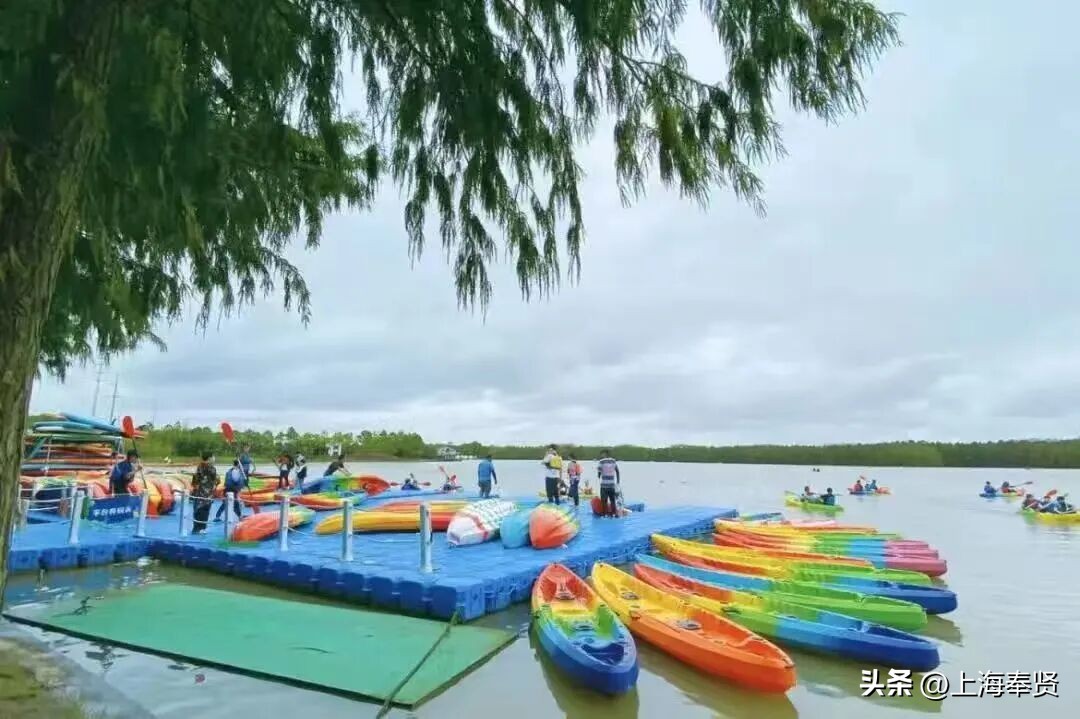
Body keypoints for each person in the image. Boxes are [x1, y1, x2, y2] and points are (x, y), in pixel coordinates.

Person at [190, 452, 219, 535]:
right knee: (205, 512)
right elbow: (217, 480)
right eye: (213, 457)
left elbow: (194, 482)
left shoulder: (199, 467)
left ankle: (196, 529)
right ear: (209, 458)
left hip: (198, 494)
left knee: (197, 512)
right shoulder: (212, 468)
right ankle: (202, 529)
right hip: (207, 495)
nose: (214, 458)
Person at [597, 449, 621, 517]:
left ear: (605, 454)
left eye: (602, 454)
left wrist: (599, 475)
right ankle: (614, 514)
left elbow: (599, 474)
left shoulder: (601, 461)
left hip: (604, 485)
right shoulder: (613, 461)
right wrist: (618, 482)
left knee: (604, 501)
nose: (601, 456)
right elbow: (617, 471)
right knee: (612, 500)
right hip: (612, 485)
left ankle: (604, 514)